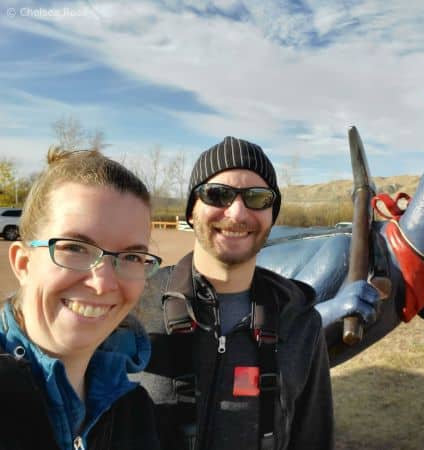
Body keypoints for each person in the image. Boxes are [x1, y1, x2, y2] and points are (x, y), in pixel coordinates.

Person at [137, 136, 380, 450]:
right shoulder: (137, 304)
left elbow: (313, 439)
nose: (237, 213)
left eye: (257, 198)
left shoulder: (299, 322)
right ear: (191, 211)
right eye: (217, 195)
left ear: (271, 215)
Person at [1, 147, 163, 450]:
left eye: (131, 256)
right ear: (23, 263)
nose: (102, 284)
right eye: (75, 248)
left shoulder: (134, 410)